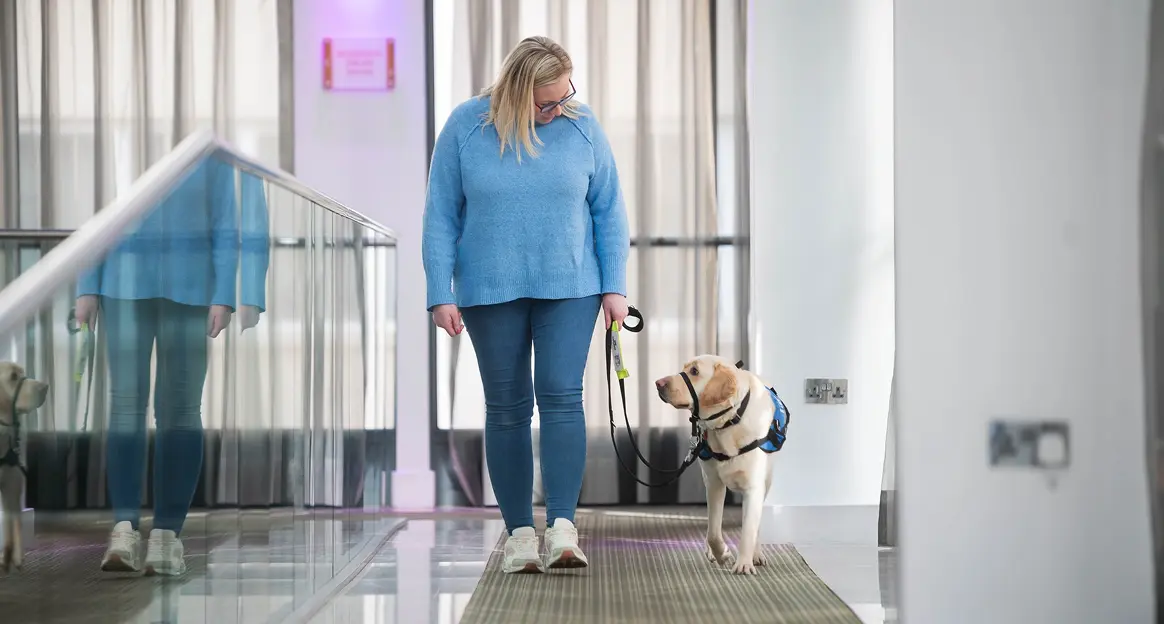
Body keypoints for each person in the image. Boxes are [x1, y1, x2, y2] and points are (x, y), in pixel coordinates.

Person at [423, 36, 630, 574]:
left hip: (572, 285)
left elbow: (608, 210)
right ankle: (518, 534)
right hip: (490, 289)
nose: (559, 108)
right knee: (508, 407)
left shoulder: (582, 125)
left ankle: (562, 528)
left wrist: (615, 287)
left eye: (566, 95)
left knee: (562, 399)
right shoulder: (466, 127)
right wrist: (439, 291)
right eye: (546, 102)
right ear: (515, 93)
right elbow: (441, 214)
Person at [75, 157, 270, 576]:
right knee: (125, 406)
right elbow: (99, 211)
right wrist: (87, 283)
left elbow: (225, 220)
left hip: (191, 287)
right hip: (122, 282)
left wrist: (224, 293)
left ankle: (167, 535)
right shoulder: (125, 128)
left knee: (180, 410)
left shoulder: (209, 150)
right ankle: (123, 529)